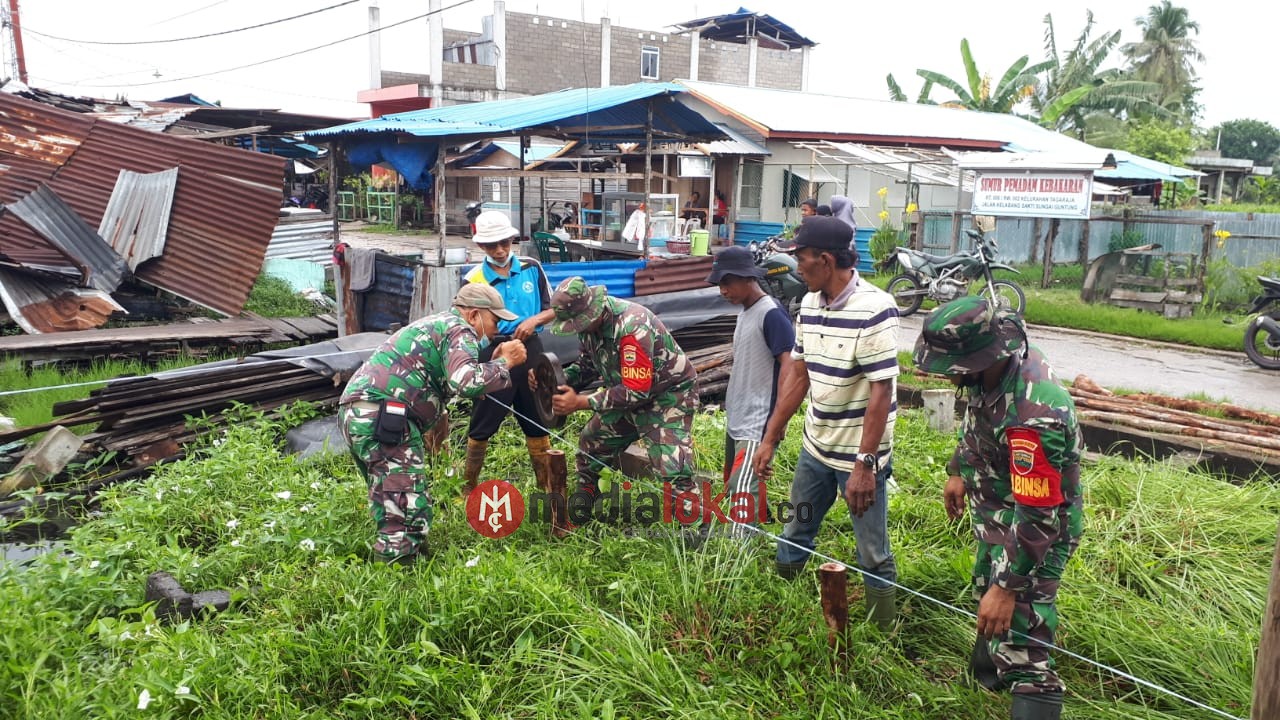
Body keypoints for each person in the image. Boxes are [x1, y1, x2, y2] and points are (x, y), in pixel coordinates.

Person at [913, 296, 1082, 720]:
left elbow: (1039, 516)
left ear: (977, 357)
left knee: (1021, 638)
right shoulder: (989, 373)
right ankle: (986, 684)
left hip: (1034, 534)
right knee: (984, 594)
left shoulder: (1033, 415)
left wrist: (1009, 587)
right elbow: (978, 423)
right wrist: (958, 469)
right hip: (999, 515)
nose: (947, 374)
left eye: (951, 365)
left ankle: (1030, 691)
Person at [751, 215, 900, 631]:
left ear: (827, 260)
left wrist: (865, 467)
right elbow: (798, 375)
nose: (797, 267)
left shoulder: (875, 308)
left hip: (859, 457)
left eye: (802, 258)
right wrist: (771, 437)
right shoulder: (810, 304)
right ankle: (780, 611)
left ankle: (882, 635)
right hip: (816, 447)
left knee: (871, 550)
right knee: (796, 526)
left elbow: (881, 393)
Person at [338, 284, 527, 564]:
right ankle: (398, 579)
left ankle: (411, 560)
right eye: (494, 320)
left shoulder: (439, 325)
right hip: (383, 415)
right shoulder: (460, 329)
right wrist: (504, 363)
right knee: (403, 505)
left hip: (362, 413)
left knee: (393, 497)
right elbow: (465, 381)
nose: (495, 328)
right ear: (474, 315)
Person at [543, 276, 698, 502]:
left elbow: (637, 391)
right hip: (625, 394)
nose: (579, 329)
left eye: (579, 323)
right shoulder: (589, 327)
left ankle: (693, 529)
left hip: (668, 397)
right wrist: (552, 382)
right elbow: (587, 367)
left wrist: (582, 402)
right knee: (592, 442)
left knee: (672, 468)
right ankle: (586, 503)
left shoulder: (632, 327)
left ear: (593, 310)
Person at [460, 210, 556, 496]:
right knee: (484, 420)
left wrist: (534, 320)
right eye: (492, 245)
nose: (500, 250)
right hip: (495, 350)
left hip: (532, 349)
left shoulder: (531, 267)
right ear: (480, 247)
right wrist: (488, 355)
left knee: (536, 416)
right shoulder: (473, 278)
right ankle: (467, 488)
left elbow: (553, 308)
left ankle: (546, 485)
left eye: (505, 242)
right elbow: (467, 326)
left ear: (513, 238)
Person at [705, 247, 795, 538]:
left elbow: (790, 369)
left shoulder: (771, 315)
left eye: (726, 283)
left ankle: (739, 552)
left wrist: (777, 423)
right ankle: (755, 528)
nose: (723, 291)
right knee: (738, 481)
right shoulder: (745, 312)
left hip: (758, 421)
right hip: (738, 415)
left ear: (746, 279)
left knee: (741, 486)